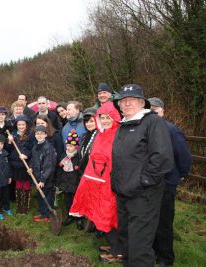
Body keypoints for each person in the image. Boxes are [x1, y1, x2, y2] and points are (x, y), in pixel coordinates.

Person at [111, 84, 174, 267]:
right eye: (123, 100)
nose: (127, 103)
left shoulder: (153, 122)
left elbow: (162, 158)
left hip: (143, 194)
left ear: (142, 103)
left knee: (140, 246)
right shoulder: (123, 125)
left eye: (132, 100)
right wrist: (116, 183)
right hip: (123, 193)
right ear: (120, 105)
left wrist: (143, 181)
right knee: (127, 240)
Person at [70, 102, 122, 263]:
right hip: (96, 181)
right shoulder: (101, 134)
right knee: (101, 213)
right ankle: (115, 246)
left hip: (109, 184)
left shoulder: (117, 135)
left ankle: (118, 252)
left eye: (108, 117)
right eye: (102, 118)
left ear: (115, 118)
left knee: (109, 214)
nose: (105, 120)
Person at [148, 97, 192, 267]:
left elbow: (184, 157)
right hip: (149, 184)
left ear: (162, 111)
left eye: (155, 110)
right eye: (149, 110)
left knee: (164, 221)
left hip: (166, 183)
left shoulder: (171, 130)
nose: (152, 113)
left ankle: (166, 258)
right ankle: (152, 250)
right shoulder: (145, 129)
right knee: (151, 219)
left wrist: (177, 176)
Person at [7, 114, 35, 214]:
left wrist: (26, 155)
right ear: (16, 125)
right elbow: (8, 150)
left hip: (26, 164)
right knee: (18, 184)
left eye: (23, 124)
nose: (21, 126)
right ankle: (19, 205)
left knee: (26, 184)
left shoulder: (31, 135)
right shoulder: (13, 135)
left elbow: (33, 149)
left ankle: (25, 205)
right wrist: (9, 142)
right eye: (19, 124)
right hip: (16, 164)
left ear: (26, 125)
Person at [29, 125, 57, 222]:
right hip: (37, 176)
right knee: (40, 195)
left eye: (41, 134)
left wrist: (43, 179)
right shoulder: (35, 146)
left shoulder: (48, 148)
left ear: (45, 135)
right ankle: (42, 212)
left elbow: (49, 166)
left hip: (46, 178)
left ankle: (47, 215)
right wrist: (31, 168)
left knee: (47, 195)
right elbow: (33, 159)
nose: (39, 136)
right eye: (37, 134)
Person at [56, 129, 80, 228]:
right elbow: (60, 166)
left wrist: (76, 167)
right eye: (67, 145)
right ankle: (70, 216)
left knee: (76, 200)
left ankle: (79, 218)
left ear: (76, 147)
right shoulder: (64, 154)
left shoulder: (78, 156)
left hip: (75, 182)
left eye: (71, 146)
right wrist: (61, 164)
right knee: (68, 200)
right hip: (65, 182)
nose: (68, 148)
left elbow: (80, 167)